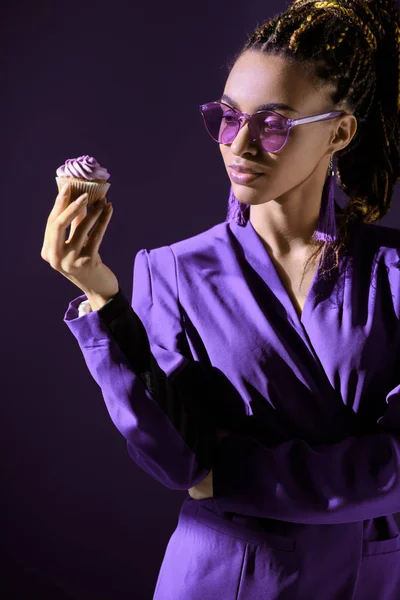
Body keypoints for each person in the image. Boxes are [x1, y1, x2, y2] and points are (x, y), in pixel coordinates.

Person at [41, 0, 400, 598]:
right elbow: (178, 460)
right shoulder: (171, 271)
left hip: (371, 579)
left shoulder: (392, 274)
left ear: (339, 131)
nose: (241, 143)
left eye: (275, 123)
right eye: (228, 118)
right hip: (225, 579)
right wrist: (101, 297)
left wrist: (232, 472)